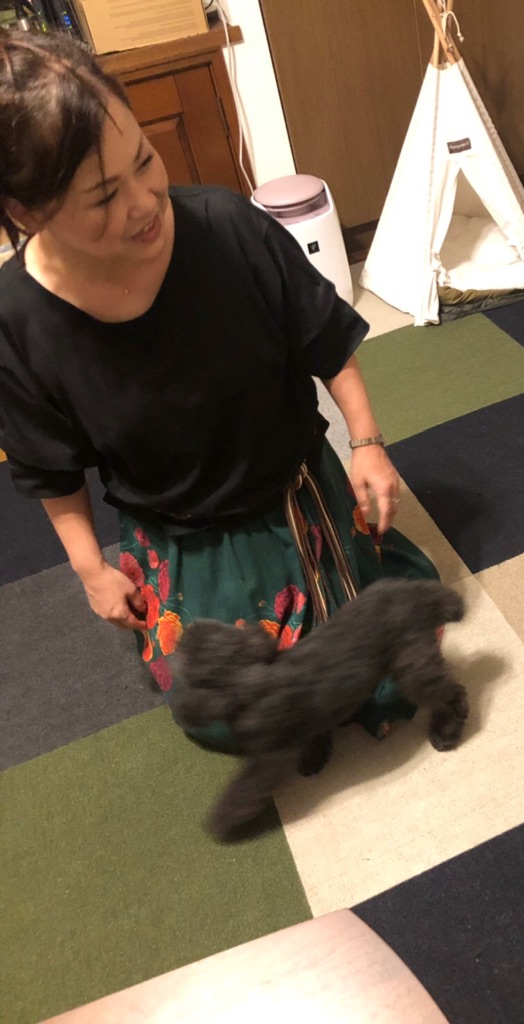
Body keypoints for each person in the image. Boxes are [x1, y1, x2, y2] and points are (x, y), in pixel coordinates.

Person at [0, 31, 438, 749]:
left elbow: (327, 341)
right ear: (26, 212)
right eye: (104, 197)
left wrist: (367, 443)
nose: (145, 202)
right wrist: (89, 569)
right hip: (180, 530)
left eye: (145, 159)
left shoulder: (227, 227)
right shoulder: (16, 320)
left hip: (292, 490)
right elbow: (48, 466)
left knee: (377, 675)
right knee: (221, 717)